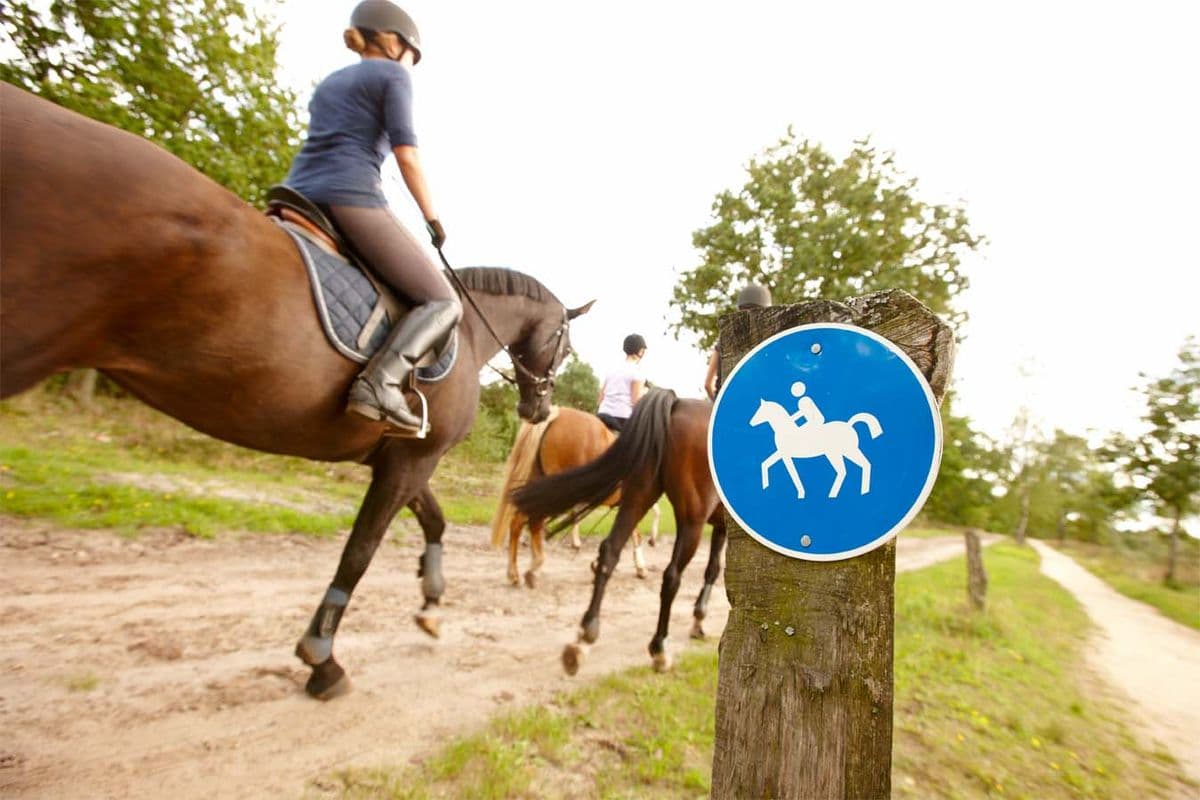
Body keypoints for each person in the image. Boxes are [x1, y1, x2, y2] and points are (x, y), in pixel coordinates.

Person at [284, 0, 462, 432]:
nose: (410, 66)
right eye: (411, 57)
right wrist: (433, 218)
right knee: (444, 301)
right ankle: (380, 384)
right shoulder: (393, 75)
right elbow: (407, 155)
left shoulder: (330, 83)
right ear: (395, 42)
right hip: (349, 196)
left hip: (296, 192)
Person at [704, 283, 772, 400]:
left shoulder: (724, 339)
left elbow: (707, 384)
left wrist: (717, 407)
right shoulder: (768, 341)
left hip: (726, 402)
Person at [596, 334, 647, 432]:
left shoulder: (612, 368)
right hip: (623, 418)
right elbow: (635, 401)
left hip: (602, 414)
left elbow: (600, 398)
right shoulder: (638, 371)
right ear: (641, 351)